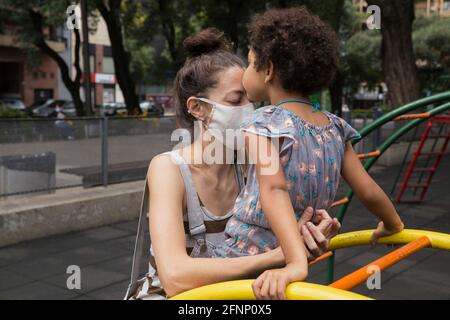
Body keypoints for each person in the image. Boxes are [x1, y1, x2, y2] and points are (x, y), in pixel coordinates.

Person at [131, 28, 341, 300]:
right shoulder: (169, 169)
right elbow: (175, 277)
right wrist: (282, 254)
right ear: (197, 108)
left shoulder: (252, 166)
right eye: (235, 100)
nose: (249, 110)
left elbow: (275, 237)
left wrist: (308, 235)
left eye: (251, 100)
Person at [211, 7, 405, 300]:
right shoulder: (336, 128)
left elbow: (273, 188)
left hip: (242, 253)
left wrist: (295, 263)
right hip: (292, 251)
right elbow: (367, 189)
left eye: (250, 64)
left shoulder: (262, 123)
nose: (244, 75)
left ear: (270, 70)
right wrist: (393, 224)